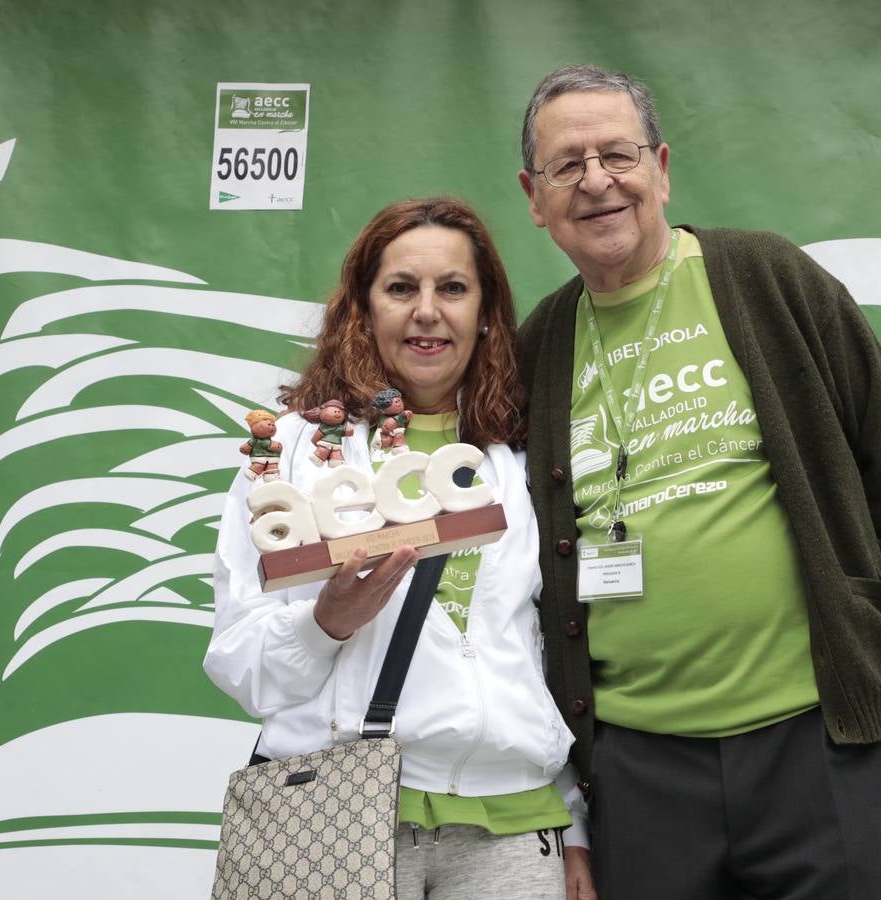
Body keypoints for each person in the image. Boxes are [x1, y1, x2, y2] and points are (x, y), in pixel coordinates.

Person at [516, 65, 881, 899]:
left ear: (662, 167)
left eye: (618, 153)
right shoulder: (541, 345)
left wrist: (853, 602)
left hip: (822, 745)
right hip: (637, 773)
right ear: (534, 196)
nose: (597, 181)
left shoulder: (765, 278)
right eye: (567, 165)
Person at [205, 197, 594, 899]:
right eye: (400, 288)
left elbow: (543, 654)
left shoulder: (526, 455)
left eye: (452, 288)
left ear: (485, 312)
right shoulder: (293, 453)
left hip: (516, 827)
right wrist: (327, 623)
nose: (426, 311)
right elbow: (240, 666)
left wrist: (574, 823)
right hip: (339, 819)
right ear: (363, 307)